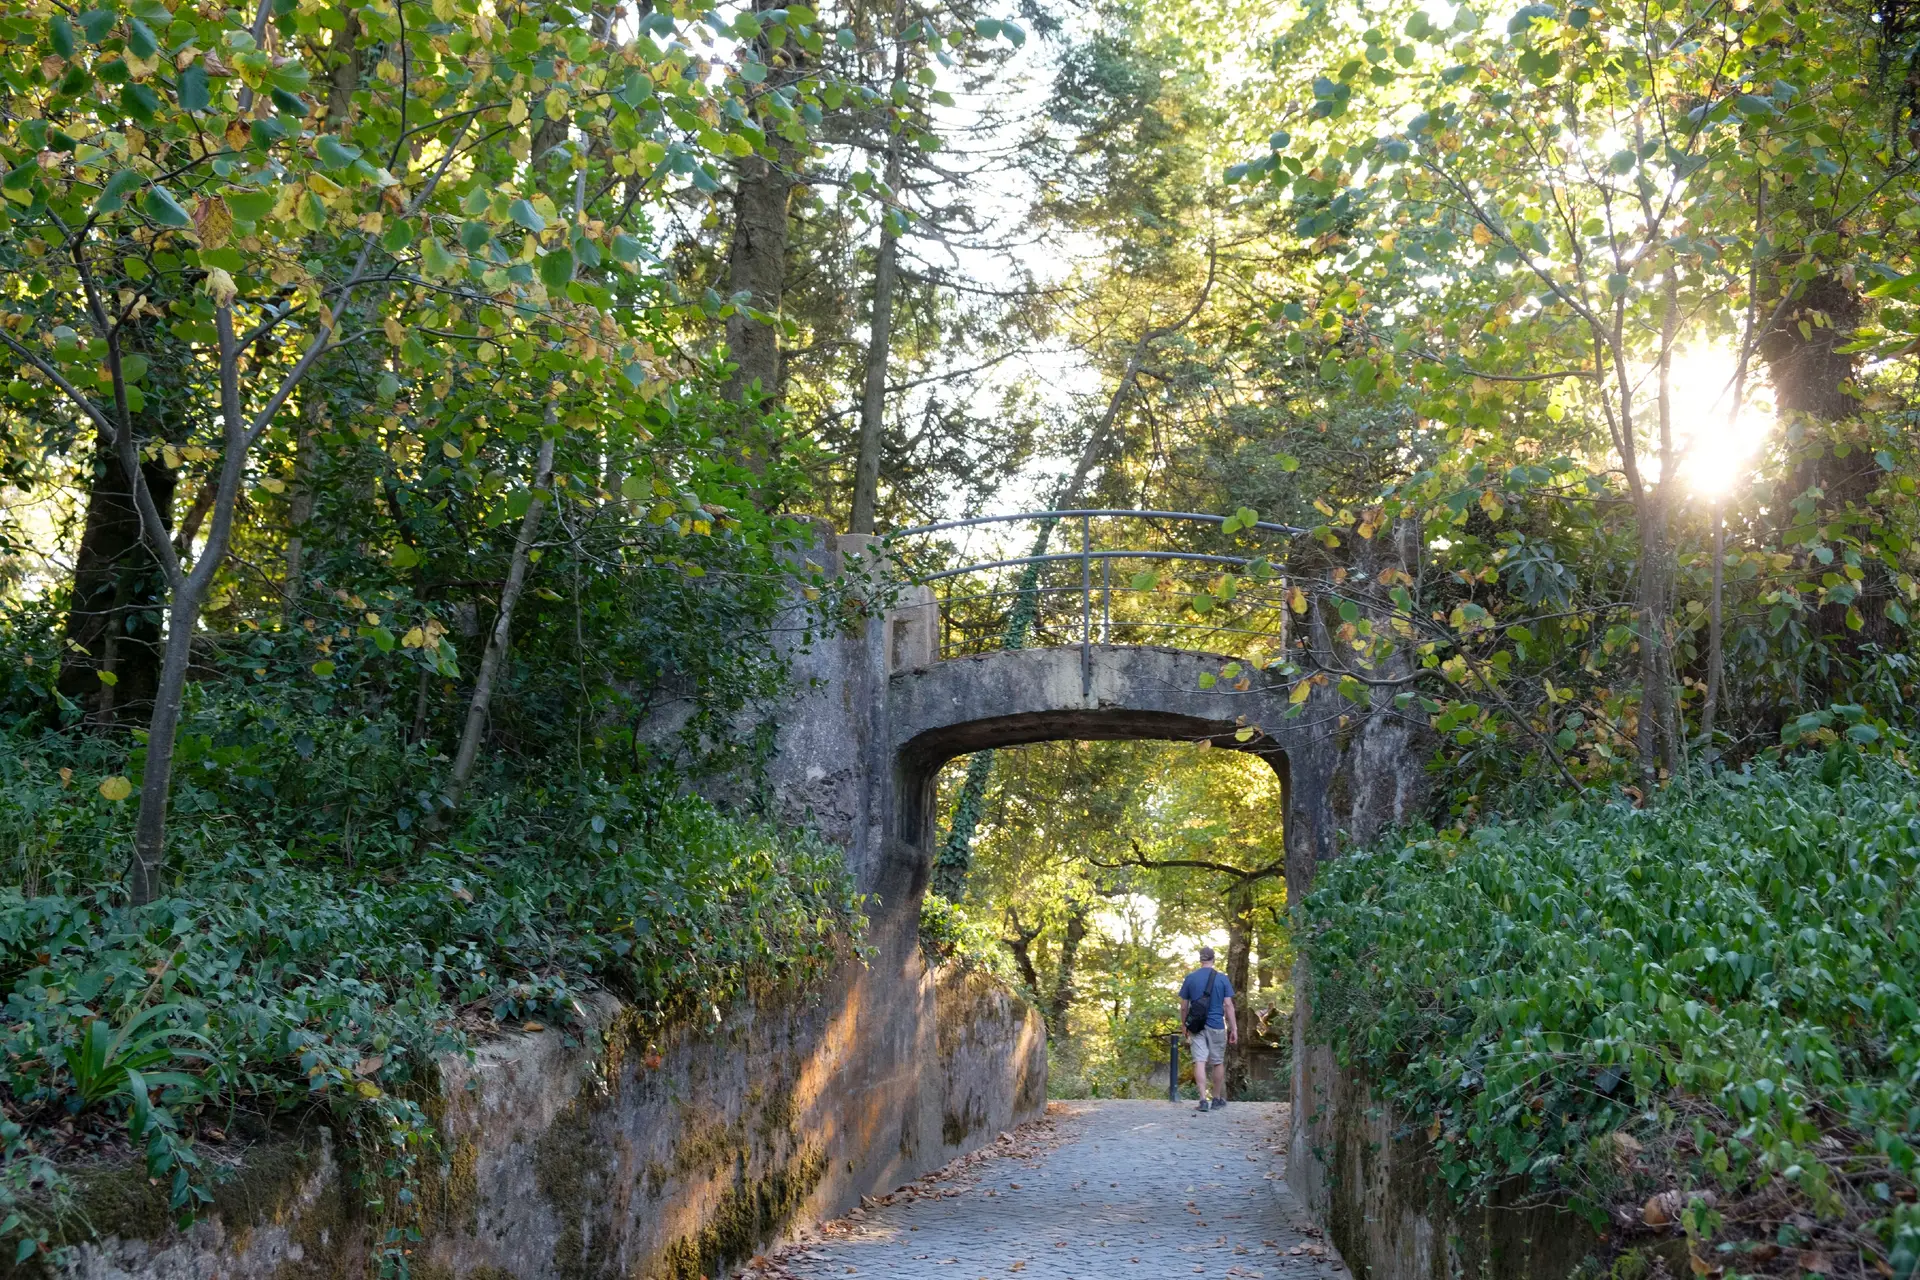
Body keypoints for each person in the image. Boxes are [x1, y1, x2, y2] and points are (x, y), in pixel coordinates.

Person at [1177, 945, 1237, 1112]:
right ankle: (1216, 1099)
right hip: (1217, 1025)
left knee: (1200, 1061)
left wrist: (1184, 1025)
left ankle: (1203, 1100)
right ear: (1213, 959)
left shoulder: (1190, 978)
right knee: (1217, 1062)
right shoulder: (1222, 979)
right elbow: (1228, 1005)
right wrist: (1234, 1029)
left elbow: (1183, 1006)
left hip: (1197, 1026)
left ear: (1200, 959)